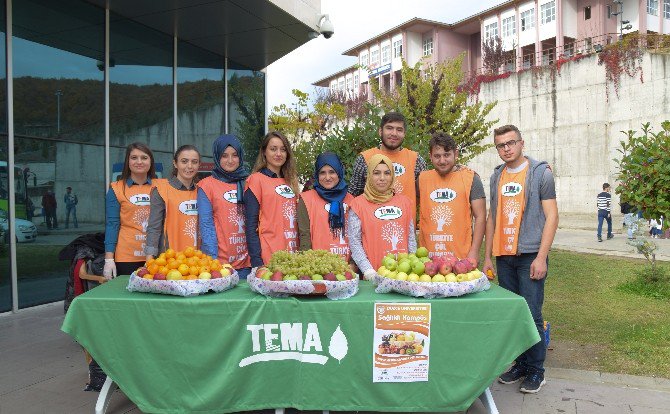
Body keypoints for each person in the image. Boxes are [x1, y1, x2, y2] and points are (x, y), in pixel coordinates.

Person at [482, 124, 558, 394]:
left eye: (510, 143)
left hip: (529, 255)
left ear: (521, 143)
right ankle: (522, 364)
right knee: (515, 314)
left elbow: (552, 217)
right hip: (504, 255)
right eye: (501, 145)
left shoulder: (540, 173)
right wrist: (488, 256)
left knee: (532, 313)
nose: (506, 149)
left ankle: (537, 370)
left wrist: (541, 257)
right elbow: (492, 216)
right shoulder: (496, 176)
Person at [417, 132, 486, 260]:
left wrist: (475, 251)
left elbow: (480, 216)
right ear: (430, 156)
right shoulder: (422, 179)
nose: (442, 161)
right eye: (437, 156)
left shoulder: (471, 178)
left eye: (447, 155)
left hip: (461, 258)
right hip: (427, 260)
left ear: (456, 153)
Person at [348, 154, 416, 280]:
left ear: (392, 176)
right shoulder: (358, 205)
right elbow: (354, 242)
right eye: (376, 173)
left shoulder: (405, 202)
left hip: (404, 276)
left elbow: (411, 238)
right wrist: (368, 271)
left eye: (387, 173)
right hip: (374, 276)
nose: (382, 178)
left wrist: (414, 265)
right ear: (368, 175)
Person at [348, 112, 427, 213]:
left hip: (405, 225)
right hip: (372, 225)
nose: (394, 133)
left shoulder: (416, 160)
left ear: (404, 134)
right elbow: (353, 196)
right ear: (380, 131)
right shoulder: (365, 158)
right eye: (389, 128)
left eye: (399, 130)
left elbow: (425, 195)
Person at [198, 135, 252, 279]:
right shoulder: (206, 185)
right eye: (224, 155)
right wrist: (213, 261)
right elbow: (206, 225)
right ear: (217, 157)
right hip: (220, 266)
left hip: (249, 264)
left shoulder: (249, 182)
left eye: (234, 155)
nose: (230, 160)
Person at [104, 143, 160, 278]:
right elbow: (112, 225)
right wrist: (109, 259)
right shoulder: (116, 188)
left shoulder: (162, 186)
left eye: (144, 157)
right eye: (134, 157)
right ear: (127, 161)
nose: (139, 162)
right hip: (126, 257)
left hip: (158, 256)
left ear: (151, 161)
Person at [244, 131, 300, 267]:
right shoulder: (255, 180)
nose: (278, 154)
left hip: (293, 256)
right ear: (264, 152)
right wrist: (257, 261)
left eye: (283, 149)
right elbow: (250, 226)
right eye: (273, 149)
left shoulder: (291, 182)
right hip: (269, 257)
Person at [145, 145, 200, 259]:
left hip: (197, 259)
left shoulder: (202, 191)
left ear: (199, 165)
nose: (189, 166)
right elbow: (154, 228)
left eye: (194, 162)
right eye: (184, 161)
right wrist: (149, 260)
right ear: (175, 163)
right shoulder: (161, 189)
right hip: (169, 259)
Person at [297, 152, 355, 261]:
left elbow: (357, 237)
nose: (327, 177)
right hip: (318, 269)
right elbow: (304, 237)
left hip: (347, 269)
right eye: (322, 173)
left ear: (339, 173)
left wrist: (353, 264)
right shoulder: (306, 200)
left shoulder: (352, 200)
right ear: (317, 175)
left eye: (332, 172)